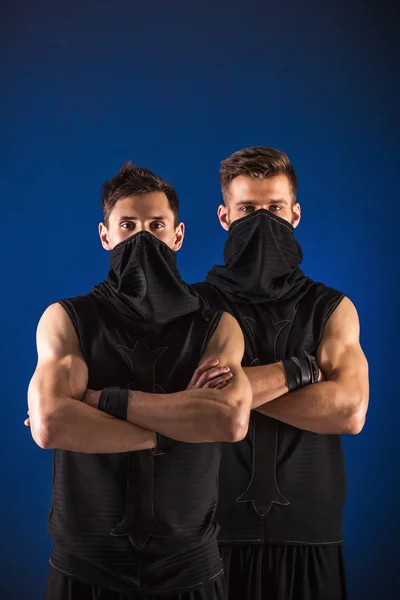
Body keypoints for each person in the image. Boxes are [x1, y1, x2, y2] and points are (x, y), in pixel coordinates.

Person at [26, 163, 252, 600]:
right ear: (105, 235)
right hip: (86, 566)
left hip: (190, 566)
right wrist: (179, 426)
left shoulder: (217, 326)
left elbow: (228, 421)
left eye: (156, 225)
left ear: (178, 235)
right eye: (128, 225)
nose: (143, 237)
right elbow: (51, 423)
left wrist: (97, 402)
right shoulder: (68, 319)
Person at [190, 147, 369, 600]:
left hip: (309, 530)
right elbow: (170, 403)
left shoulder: (331, 308)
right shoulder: (190, 306)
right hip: (204, 532)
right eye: (248, 209)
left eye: (274, 208)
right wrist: (299, 372)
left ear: (295, 214)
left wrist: (228, 396)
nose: (263, 220)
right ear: (224, 216)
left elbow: (349, 410)